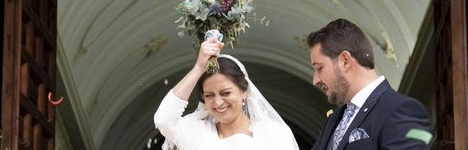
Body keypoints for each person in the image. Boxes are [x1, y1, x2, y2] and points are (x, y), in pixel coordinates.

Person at [154, 37, 299, 150]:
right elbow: (163, 120)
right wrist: (198, 68)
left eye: (225, 93)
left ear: (244, 91)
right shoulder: (199, 133)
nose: (218, 103)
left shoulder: (274, 134)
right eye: (209, 95)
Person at [308, 19, 432, 150]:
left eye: (319, 68)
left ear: (345, 61)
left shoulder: (403, 110)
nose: (315, 80)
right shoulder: (333, 120)